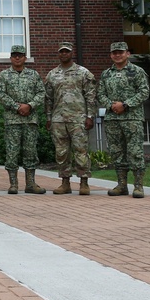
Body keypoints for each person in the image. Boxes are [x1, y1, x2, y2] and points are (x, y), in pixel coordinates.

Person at [98, 41, 150, 198]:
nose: (117, 55)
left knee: (135, 152)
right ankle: (121, 185)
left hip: (132, 118)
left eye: (121, 52)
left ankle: (138, 186)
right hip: (112, 119)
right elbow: (100, 93)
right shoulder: (106, 74)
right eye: (114, 53)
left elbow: (144, 92)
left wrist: (126, 105)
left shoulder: (137, 71)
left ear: (127, 54)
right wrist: (111, 106)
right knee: (117, 152)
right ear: (111, 55)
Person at [44, 42, 98, 195]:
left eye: (66, 52)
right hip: (58, 119)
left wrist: (90, 116)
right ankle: (65, 182)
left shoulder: (83, 73)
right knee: (61, 152)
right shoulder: (52, 74)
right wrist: (48, 117)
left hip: (78, 119)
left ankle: (84, 182)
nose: (64, 54)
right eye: (61, 52)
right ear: (58, 54)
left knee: (81, 151)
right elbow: (48, 98)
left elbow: (91, 96)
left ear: (71, 53)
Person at [0, 44, 46, 194]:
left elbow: (41, 93)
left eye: (20, 55)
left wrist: (29, 106)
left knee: (30, 151)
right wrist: (17, 107)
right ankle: (13, 184)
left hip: (30, 119)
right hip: (13, 120)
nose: (17, 58)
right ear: (11, 58)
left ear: (25, 58)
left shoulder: (33, 75)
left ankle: (30, 183)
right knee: (12, 152)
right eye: (14, 55)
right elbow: (1, 93)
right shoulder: (4, 75)